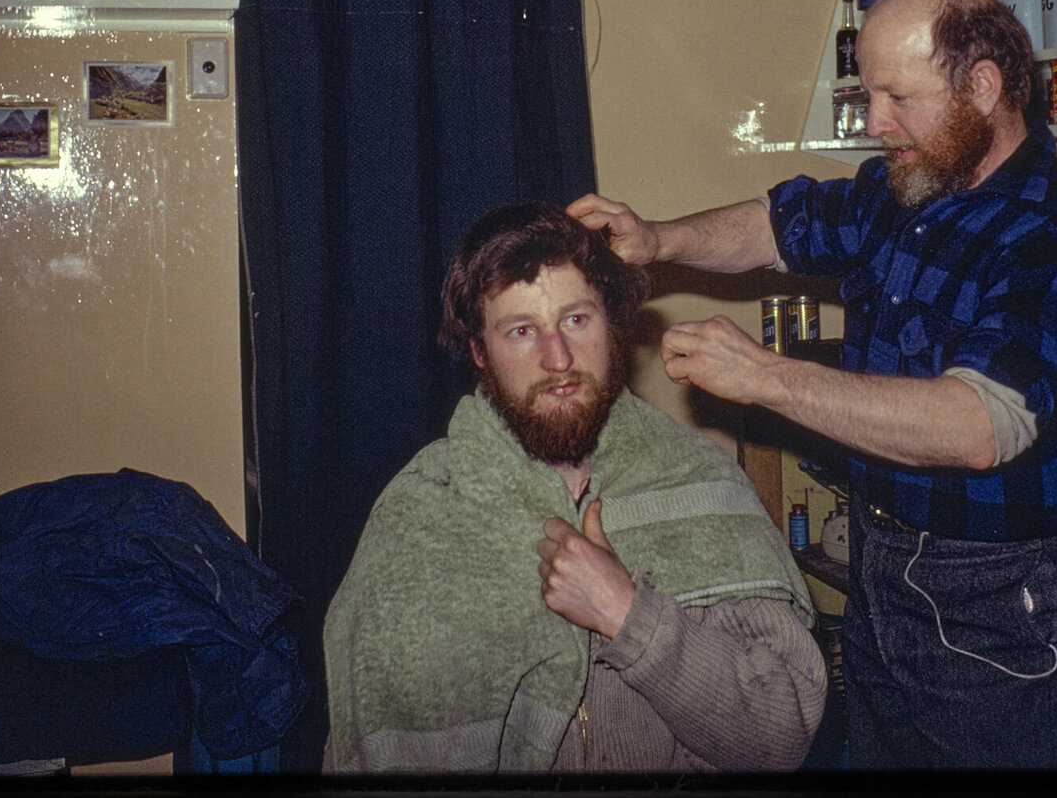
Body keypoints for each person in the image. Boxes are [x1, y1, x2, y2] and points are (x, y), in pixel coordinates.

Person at [569, 0, 1057, 769]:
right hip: (882, 566)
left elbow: (977, 426)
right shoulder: (905, 191)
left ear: (982, 87)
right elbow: (775, 225)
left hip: (1001, 597)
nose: (875, 121)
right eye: (868, 94)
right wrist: (659, 238)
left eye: (897, 97)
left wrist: (767, 378)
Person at [322, 202, 825, 773]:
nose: (557, 358)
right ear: (479, 353)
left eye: (576, 320)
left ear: (613, 326)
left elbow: (780, 738)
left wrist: (629, 616)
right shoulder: (421, 509)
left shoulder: (700, 482)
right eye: (521, 331)